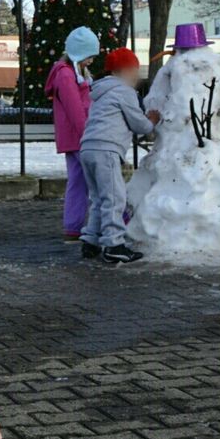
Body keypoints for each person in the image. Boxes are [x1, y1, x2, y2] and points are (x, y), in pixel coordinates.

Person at [79, 47, 160, 265]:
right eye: (135, 71)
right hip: (106, 150)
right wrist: (151, 120)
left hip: (87, 148)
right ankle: (114, 245)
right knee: (115, 197)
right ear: (125, 70)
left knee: (98, 197)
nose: (137, 76)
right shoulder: (124, 92)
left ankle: (91, 240)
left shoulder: (100, 91)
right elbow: (139, 124)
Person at [45, 27, 99, 241]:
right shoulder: (67, 75)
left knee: (78, 181)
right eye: (89, 57)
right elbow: (76, 109)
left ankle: (73, 226)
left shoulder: (67, 73)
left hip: (73, 137)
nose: (91, 62)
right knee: (99, 179)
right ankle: (120, 219)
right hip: (80, 137)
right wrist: (88, 135)